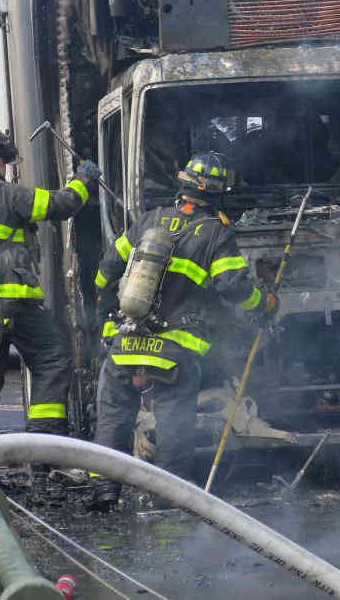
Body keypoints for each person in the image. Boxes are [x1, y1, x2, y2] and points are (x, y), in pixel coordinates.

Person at [88, 152, 268, 510]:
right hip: (174, 348)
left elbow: (107, 271)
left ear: (182, 186)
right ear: (218, 195)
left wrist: (108, 319)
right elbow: (234, 287)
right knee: (174, 421)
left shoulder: (148, 220)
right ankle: (167, 496)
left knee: (113, 415)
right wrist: (264, 305)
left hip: (126, 342)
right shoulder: (215, 234)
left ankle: (104, 491)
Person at [0, 125, 98, 439]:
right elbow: (63, 204)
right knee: (52, 359)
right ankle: (45, 439)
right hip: (9, 300)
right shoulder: (10, 194)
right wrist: (84, 178)